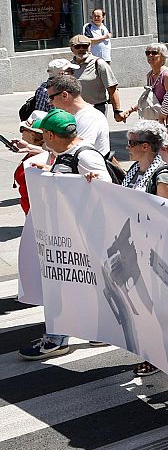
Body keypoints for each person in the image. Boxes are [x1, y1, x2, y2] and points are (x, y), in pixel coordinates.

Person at [17, 110, 110, 361]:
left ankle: (57, 339)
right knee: (68, 286)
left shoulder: (86, 155)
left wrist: (90, 181)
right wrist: (49, 170)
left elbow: (106, 192)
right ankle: (96, 331)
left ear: (50, 134)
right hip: (66, 236)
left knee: (61, 287)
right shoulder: (68, 153)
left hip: (77, 238)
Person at [44, 73, 111, 156]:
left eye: (51, 98)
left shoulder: (89, 118)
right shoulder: (75, 115)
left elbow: (76, 152)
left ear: (64, 95)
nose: (50, 102)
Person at [121, 120, 168, 203]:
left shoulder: (163, 177)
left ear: (145, 147)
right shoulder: (134, 169)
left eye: (131, 143)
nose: (127, 147)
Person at [68, 33, 123, 119]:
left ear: (90, 47)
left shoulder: (99, 63)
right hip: (76, 110)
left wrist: (117, 111)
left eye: (85, 46)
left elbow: (112, 89)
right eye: (78, 47)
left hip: (97, 108)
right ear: (72, 49)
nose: (81, 49)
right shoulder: (68, 66)